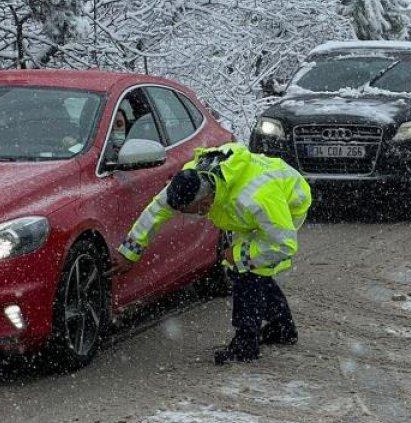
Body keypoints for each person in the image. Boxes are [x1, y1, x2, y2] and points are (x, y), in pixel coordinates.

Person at [119, 142, 311, 365]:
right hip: (250, 209)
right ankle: (282, 327)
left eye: (189, 211)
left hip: (288, 203)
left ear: (205, 203)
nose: (185, 215)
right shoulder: (190, 180)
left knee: (247, 271)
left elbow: (283, 243)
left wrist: (237, 255)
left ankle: (245, 345)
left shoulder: (256, 198)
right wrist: (130, 251)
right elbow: (158, 209)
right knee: (251, 269)